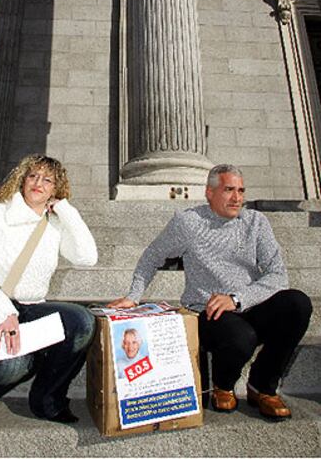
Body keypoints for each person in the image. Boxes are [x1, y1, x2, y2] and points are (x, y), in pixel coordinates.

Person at [108, 164, 312, 420]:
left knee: (297, 304)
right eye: (229, 190)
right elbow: (152, 256)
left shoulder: (256, 222)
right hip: (208, 310)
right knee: (242, 336)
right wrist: (133, 296)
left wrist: (237, 299)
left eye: (241, 190)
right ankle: (223, 386)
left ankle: (262, 386)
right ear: (209, 192)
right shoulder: (188, 223)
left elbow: (278, 275)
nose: (237, 198)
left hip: (246, 304)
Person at [0, 154, 98, 431]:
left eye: (47, 180)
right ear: (22, 179)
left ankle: (47, 400)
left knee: (82, 321)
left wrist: (66, 211)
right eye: (33, 176)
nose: (38, 183)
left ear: (56, 189)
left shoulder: (53, 224)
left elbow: (87, 257)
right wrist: (4, 312)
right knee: (12, 366)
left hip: (31, 308)